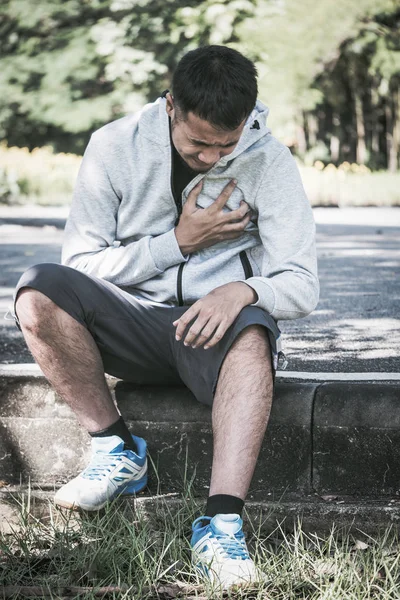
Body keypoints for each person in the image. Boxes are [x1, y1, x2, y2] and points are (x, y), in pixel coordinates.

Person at [11, 45, 319, 588]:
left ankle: (221, 526)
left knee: (253, 334)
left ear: (246, 120)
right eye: (198, 143)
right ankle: (115, 448)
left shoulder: (269, 160)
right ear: (171, 105)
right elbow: (81, 264)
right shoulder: (112, 146)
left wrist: (243, 290)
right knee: (38, 288)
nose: (209, 157)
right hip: (131, 321)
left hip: (215, 334)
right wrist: (177, 243)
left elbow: (303, 285)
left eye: (225, 145)